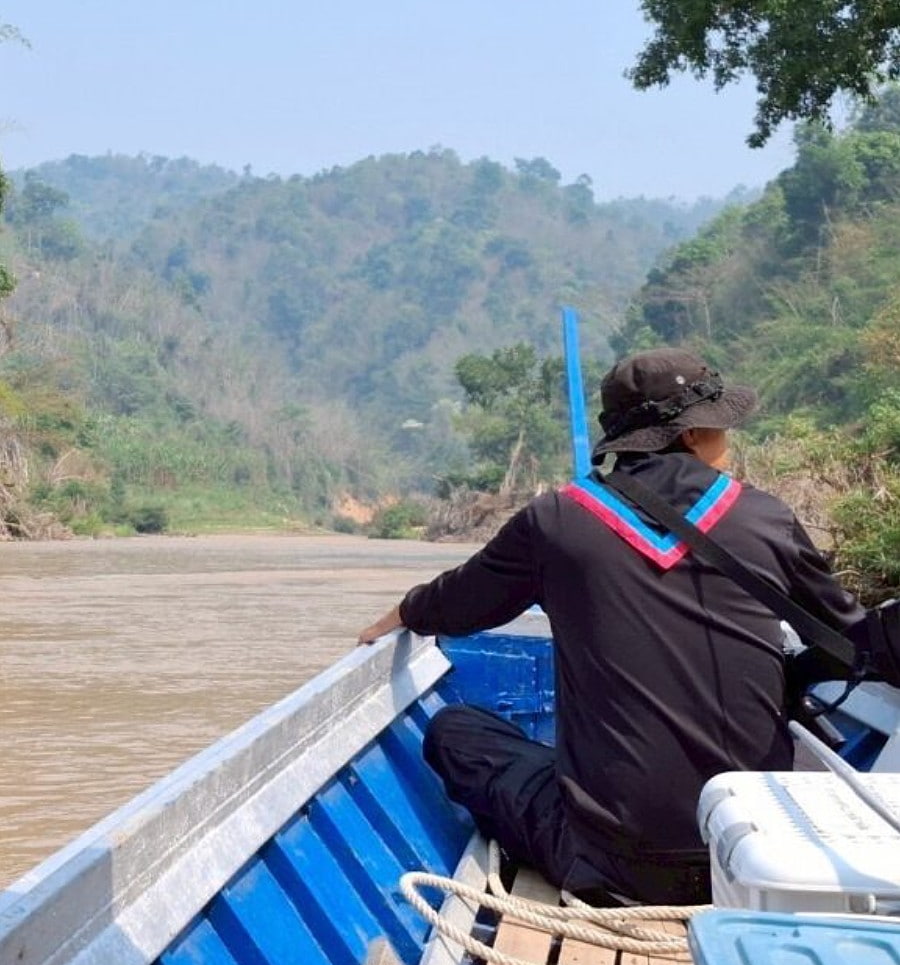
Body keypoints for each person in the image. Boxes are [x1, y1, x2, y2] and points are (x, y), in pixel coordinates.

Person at [358, 348, 863, 905]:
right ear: (692, 435)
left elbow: (459, 603)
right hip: (753, 861)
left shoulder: (556, 520)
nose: (729, 438)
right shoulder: (768, 518)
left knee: (457, 730)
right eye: (721, 424)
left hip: (616, 869)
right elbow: (851, 639)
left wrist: (409, 610)